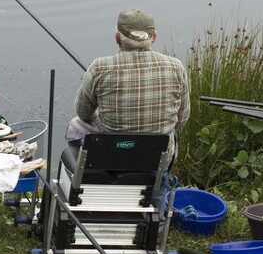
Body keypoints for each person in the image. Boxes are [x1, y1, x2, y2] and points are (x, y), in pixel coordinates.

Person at [67, 8, 190, 154]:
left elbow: (83, 113)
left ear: (117, 38)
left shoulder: (99, 67)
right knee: (170, 135)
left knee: (75, 125)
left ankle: (86, 171)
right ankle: (161, 176)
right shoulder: (176, 67)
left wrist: (103, 113)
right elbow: (182, 119)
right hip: (158, 159)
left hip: (113, 154)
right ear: (154, 37)